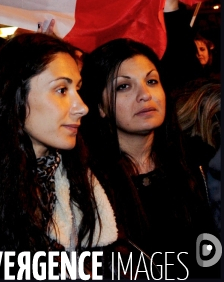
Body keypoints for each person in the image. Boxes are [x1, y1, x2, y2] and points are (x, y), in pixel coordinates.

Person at [0, 34, 118, 276]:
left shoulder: (81, 174)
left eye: (77, 89)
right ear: (15, 96)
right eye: (61, 90)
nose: (81, 106)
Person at [80, 38, 219, 279]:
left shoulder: (201, 159)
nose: (145, 94)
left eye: (152, 81)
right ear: (100, 106)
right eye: (123, 86)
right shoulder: (85, 180)